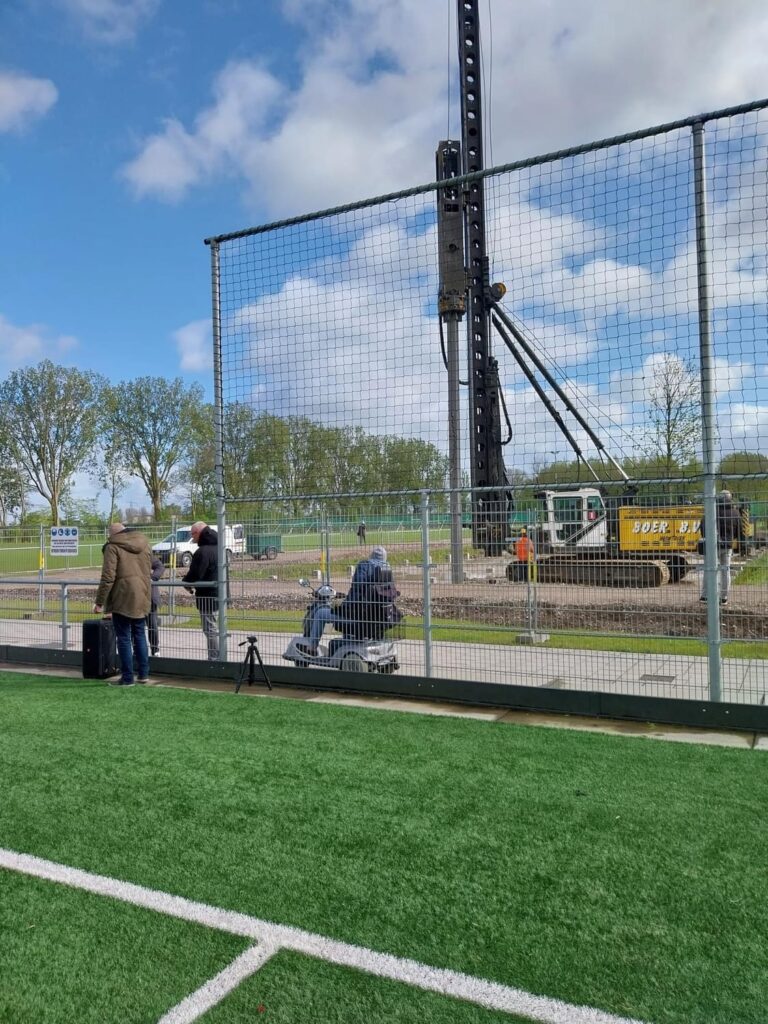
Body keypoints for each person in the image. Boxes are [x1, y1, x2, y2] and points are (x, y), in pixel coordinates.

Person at [298, 545, 396, 655]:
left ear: (371, 555)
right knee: (342, 608)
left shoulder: (364, 566)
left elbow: (357, 588)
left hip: (358, 617)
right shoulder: (387, 571)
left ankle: (311, 648)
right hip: (377, 617)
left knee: (321, 613)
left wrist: (344, 603)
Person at [93, 522, 152, 686]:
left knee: (124, 638)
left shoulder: (112, 547)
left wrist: (99, 602)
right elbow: (151, 567)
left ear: (112, 535)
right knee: (140, 635)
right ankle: (143, 674)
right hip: (142, 594)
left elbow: (108, 577)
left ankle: (127, 678)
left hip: (122, 596)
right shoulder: (145, 543)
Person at [182, 521, 219, 660]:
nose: (192, 537)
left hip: (208, 595)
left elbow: (196, 573)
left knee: (210, 629)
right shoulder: (218, 547)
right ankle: (217, 656)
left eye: (193, 534)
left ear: (198, 533)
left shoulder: (203, 551)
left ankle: (215, 658)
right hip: (218, 593)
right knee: (214, 627)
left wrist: (186, 582)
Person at [699, 489, 742, 606]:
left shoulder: (711, 511)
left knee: (709, 570)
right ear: (730, 498)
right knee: (725, 570)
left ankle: (705, 596)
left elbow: (702, 526)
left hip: (712, 545)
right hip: (727, 545)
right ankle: (724, 597)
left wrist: (707, 538)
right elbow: (739, 531)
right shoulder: (735, 513)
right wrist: (732, 540)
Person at [147, 556, 164, 656]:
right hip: (133, 598)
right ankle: (136, 651)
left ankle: (155, 650)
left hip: (150, 597)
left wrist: (152, 578)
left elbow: (160, 566)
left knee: (152, 625)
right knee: (135, 626)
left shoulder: (146, 554)